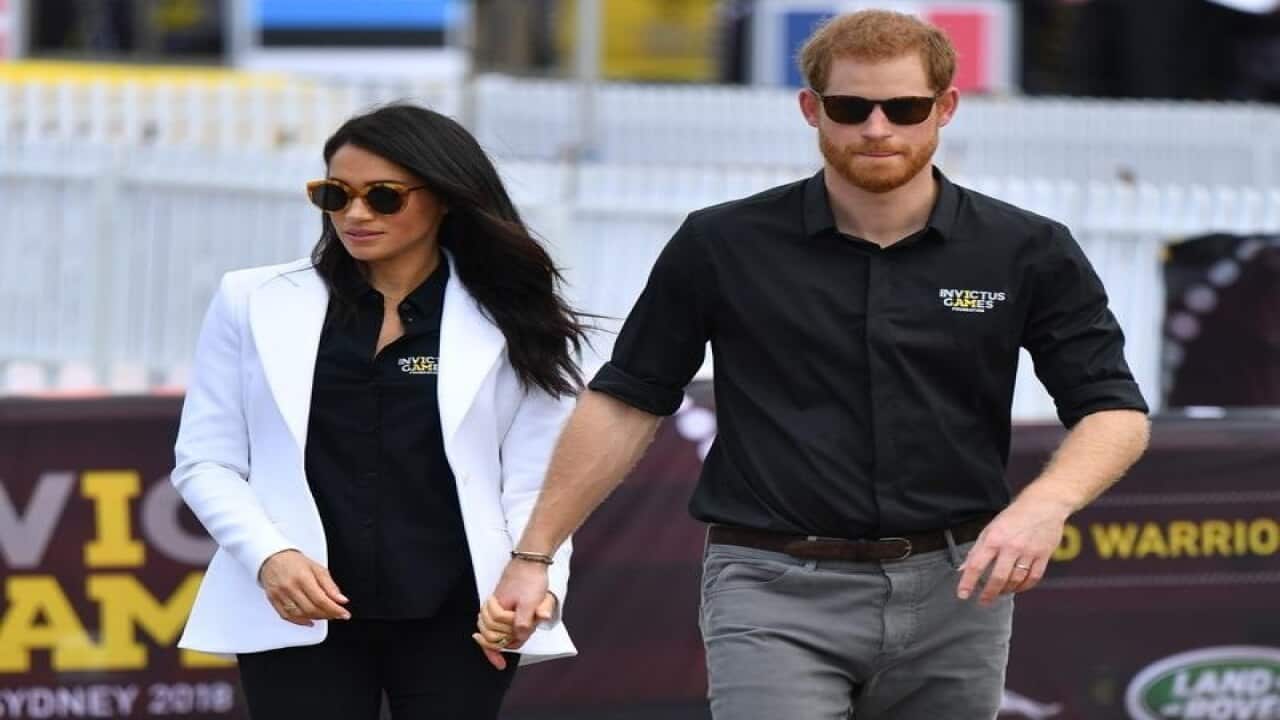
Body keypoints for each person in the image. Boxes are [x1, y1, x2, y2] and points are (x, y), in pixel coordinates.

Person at [475, 10, 1151, 719]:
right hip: (772, 583)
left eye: (905, 108)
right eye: (851, 108)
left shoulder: (1028, 249)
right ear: (811, 108)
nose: (877, 128)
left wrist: (1045, 505)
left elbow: (1113, 409)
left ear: (945, 107)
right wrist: (534, 555)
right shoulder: (722, 243)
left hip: (957, 589)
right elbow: (627, 399)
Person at [171, 104, 583, 719]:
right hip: (298, 608)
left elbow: (539, 478)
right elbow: (206, 460)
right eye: (335, 194)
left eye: (384, 196)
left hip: (463, 614)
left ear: (445, 197)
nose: (355, 214)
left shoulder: (511, 315)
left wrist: (537, 577)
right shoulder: (252, 300)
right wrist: (269, 556)